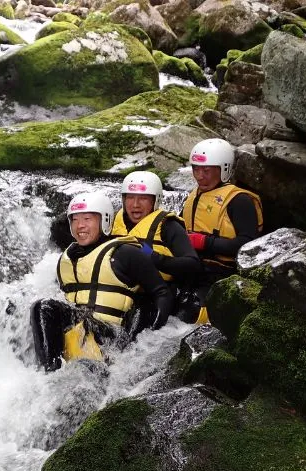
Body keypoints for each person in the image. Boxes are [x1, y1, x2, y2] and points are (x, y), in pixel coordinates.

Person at [30, 191, 173, 371]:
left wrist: (150, 338)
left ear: (105, 220)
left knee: (43, 306)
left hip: (108, 339)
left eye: (87, 219)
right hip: (76, 334)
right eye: (74, 220)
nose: (79, 226)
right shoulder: (66, 258)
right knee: (41, 307)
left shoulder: (125, 253)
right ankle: (50, 373)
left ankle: (50, 375)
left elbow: (162, 293)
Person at [181, 138, 263, 321]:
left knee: (191, 312)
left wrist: (204, 242)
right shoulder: (193, 197)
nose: (199, 176)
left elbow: (248, 246)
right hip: (192, 269)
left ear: (224, 169)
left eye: (206, 170)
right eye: (195, 169)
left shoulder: (240, 201)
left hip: (223, 274)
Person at [111, 171, 202, 322]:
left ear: (155, 200)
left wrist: (152, 256)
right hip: (120, 293)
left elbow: (193, 264)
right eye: (130, 197)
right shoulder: (113, 221)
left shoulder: (169, 226)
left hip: (156, 295)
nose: (135, 205)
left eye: (143, 198)